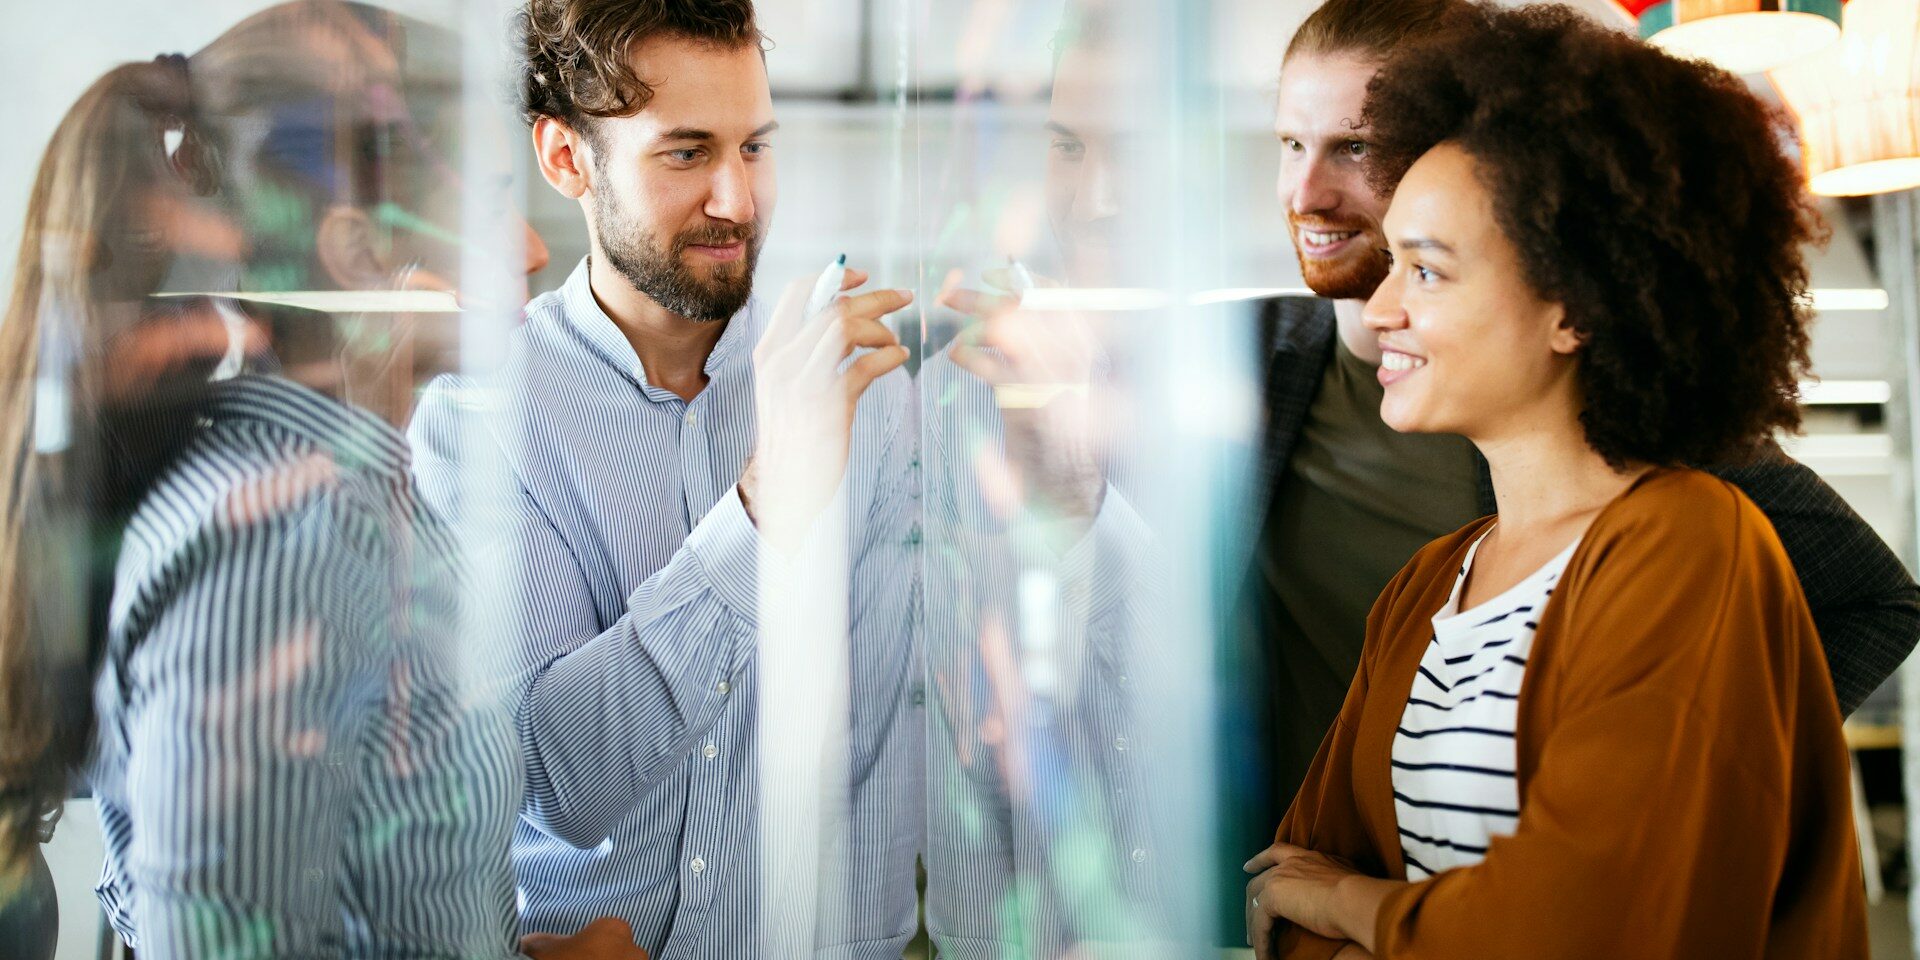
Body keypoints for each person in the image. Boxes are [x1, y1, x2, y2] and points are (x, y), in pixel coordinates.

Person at [1228, 0, 1919, 884]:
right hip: (1292, 874)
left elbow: (1870, 600)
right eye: (1291, 144)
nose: (1305, 193)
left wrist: (1676, 774)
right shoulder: (1232, 368)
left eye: (1354, 146)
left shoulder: (1618, 420)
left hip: (1523, 890)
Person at [0, 3, 636, 957]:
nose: (533, 248)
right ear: (359, 255)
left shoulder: (362, 499)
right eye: (489, 201)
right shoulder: (274, 545)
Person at [405, 1, 921, 956]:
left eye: (755, 147)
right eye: (686, 155)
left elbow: (879, 759)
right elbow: (556, 785)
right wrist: (763, 510)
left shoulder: (863, 387)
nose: (739, 200)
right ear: (566, 160)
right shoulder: (477, 418)